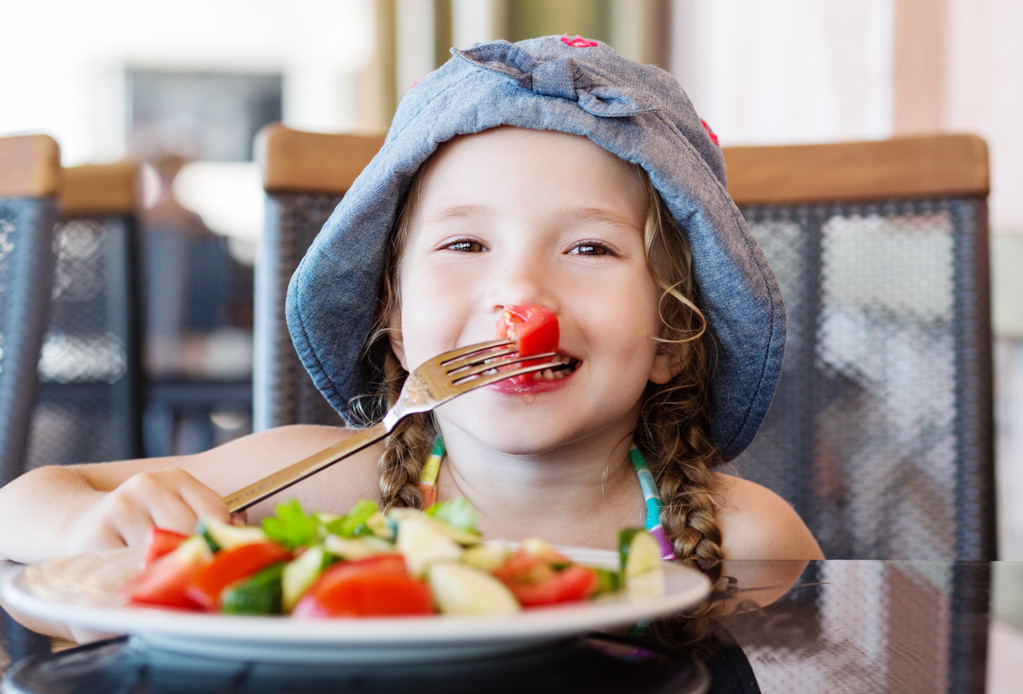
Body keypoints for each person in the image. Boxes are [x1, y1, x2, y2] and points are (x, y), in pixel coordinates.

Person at [0, 35, 822, 568]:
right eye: (465, 246)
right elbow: (20, 507)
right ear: (394, 323)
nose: (519, 296)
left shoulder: (746, 542)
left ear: (671, 335)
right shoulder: (314, 489)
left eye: (589, 249)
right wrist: (86, 532)